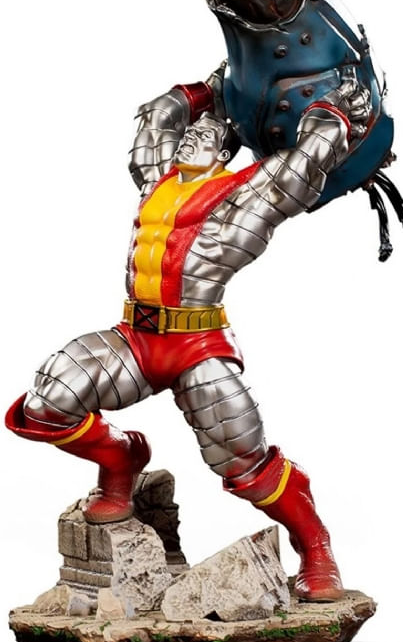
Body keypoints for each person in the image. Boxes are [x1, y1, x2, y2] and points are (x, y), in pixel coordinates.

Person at [6, 76, 370, 602]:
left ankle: (316, 547)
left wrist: (334, 113)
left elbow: (302, 166)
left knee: (243, 463)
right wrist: (212, 88)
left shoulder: (245, 194)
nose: (195, 137)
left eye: (209, 136)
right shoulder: (157, 180)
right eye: (192, 133)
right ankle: (121, 461)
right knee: (47, 401)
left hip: (198, 345)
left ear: (225, 153)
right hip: (136, 338)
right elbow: (158, 117)